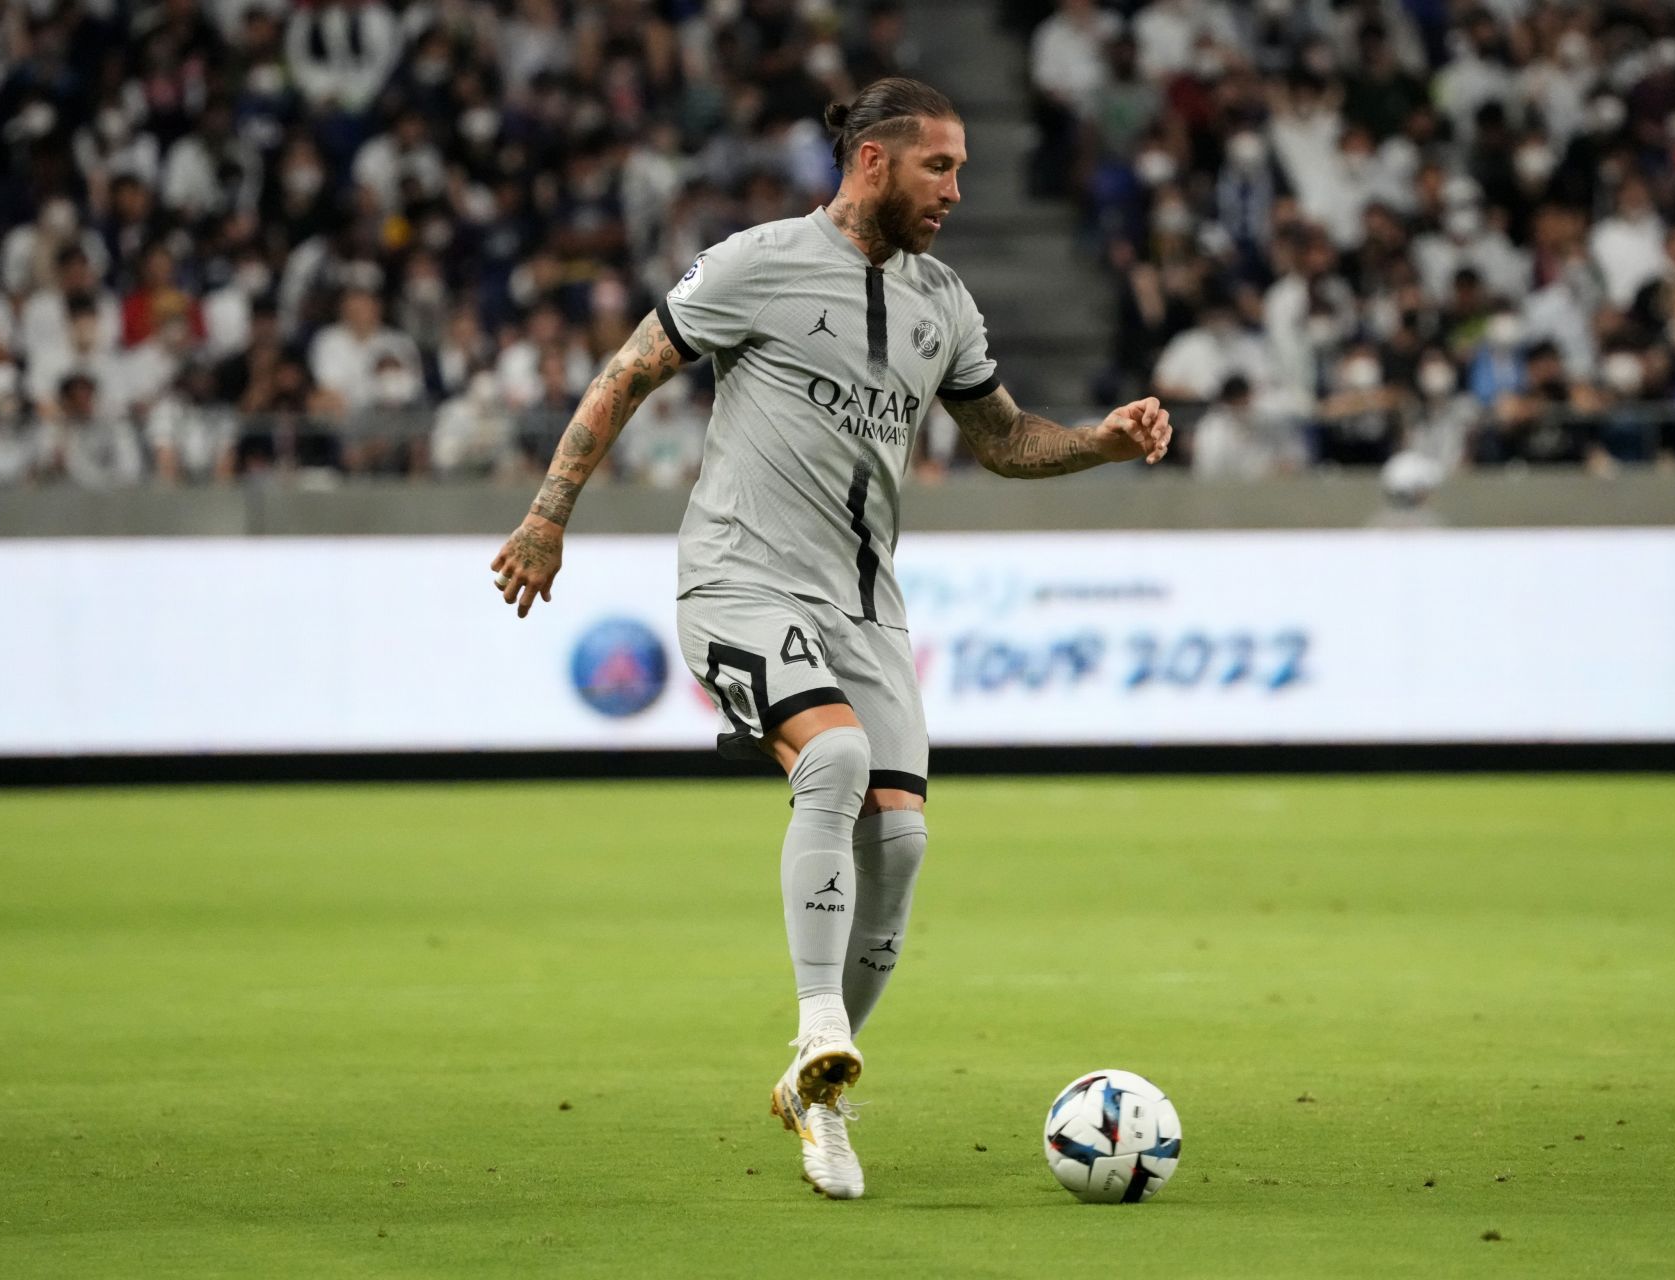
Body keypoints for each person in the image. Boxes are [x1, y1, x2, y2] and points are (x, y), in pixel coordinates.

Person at [486, 78, 1172, 1200]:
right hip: (739, 581)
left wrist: (1098, 439)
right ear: (872, 161)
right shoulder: (755, 262)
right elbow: (627, 374)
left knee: (899, 845)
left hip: (867, 609)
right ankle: (817, 1031)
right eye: (939, 166)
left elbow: (1001, 438)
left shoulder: (943, 301)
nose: (957, 188)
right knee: (839, 761)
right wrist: (547, 513)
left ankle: (819, 1092)